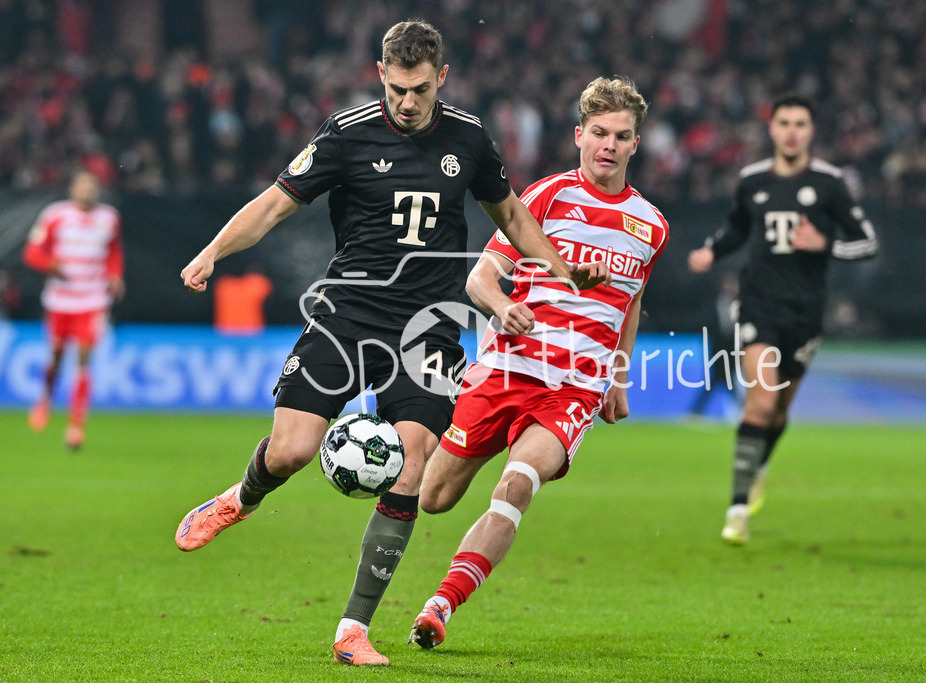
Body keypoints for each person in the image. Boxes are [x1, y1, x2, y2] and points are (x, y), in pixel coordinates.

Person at [172, 21, 608, 668]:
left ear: (442, 78)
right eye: (398, 88)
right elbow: (272, 206)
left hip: (428, 325)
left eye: (420, 90)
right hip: (348, 312)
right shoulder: (346, 134)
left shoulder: (468, 137)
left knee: (411, 463)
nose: (407, 102)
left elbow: (514, 216)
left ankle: (354, 629)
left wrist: (563, 270)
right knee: (292, 450)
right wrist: (213, 251)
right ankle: (242, 497)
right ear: (380, 74)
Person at [407, 76, 667, 650]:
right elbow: (480, 279)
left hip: (574, 389)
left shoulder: (651, 225)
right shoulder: (546, 198)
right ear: (579, 136)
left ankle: (440, 605)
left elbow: (631, 301)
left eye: (621, 136)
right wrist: (503, 308)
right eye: (598, 132)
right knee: (433, 498)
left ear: (635, 143)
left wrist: (618, 377)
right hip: (507, 369)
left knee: (518, 485)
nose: (608, 145)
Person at [686, 93, 879, 545]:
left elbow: (867, 242)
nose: (792, 132)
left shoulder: (829, 183)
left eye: (800, 124)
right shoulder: (752, 180)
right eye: (785, 123)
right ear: (772, 129)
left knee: (778, 412)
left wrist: (825, 245)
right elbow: (738, 227)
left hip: (806, 311)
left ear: (811, 132)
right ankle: (737, 510)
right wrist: (712, 250)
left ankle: (760, 465)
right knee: (760, 403)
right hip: (758, 304)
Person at [23, 170, 125, 450]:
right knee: (56, 353)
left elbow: (113, 251)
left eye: (91, 186)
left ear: (97, 190)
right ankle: (45, 398)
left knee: (83, 359)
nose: (86, 191)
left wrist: (115, 275)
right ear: (72, 189)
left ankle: (76, 426)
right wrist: (49, 265)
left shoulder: (109, 218)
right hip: (59, 300)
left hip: (92, 300)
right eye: (82, 186)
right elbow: (32, 252)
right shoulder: (55, 215)